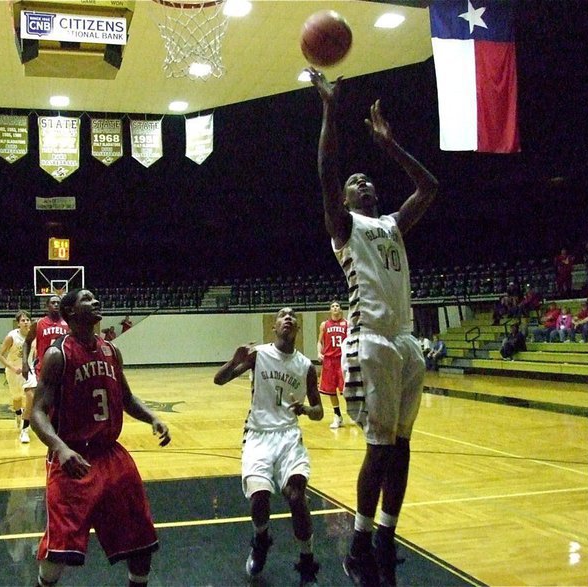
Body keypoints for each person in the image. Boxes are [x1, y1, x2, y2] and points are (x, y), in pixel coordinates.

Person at [310, 68, 438, 587]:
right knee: (379, 448)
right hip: (371, 341)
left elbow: (430, 185)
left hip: (406, 343)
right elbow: (326, 171)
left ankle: (386, 535)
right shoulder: (345, 228)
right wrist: (329, 111)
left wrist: (391, 146)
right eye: (354, 182)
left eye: (368, 179)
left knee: (402, 444)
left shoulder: (390, 225)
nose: (363, 183)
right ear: (343, 200)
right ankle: (359, 542)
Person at [30, 289, 170, 587]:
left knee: (141, 538)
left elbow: (127, 398)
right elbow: (37, 413)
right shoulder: (58, 355)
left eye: (95, 298)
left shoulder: (111, 351)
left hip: (110, 455)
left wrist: (153, 418)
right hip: (73, 458)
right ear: (70, 313)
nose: (96, 302)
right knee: (59, 549)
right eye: (87, 299)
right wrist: (60, 448)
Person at [214, 306, 323, 586]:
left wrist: (307, 411)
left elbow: (319, 410)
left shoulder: (306, 366)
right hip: (258, 434)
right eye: (282, 316)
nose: (288, 318)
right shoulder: (259, 354)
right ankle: (261, 539)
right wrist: (233, 360)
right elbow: (220, 379)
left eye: (292, 317)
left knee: (296, 496)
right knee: (260, 497)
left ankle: (307, 559)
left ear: (297, 328)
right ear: (274, 327)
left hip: (288, 435)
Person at [21, 294, 69, 443]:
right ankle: (25, 430)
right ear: (47, 306)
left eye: (58, 303)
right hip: (42, 370)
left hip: (63, 370)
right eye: (53, 302)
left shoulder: (68, 324)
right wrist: (24, 362)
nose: (56, 305)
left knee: (60, 405)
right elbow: (27, 343)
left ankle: (58, 434)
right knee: (35, 403)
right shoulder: (39, 323)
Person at [0, 310, 33, 442]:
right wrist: (12, 367)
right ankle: (18, 414)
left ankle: (25, 430)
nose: (25, 322)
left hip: (29, 371)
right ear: (18, 323)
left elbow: (35, 353)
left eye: (27, 320)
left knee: (30, 396)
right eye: (23, 320)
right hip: (13, 371)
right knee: (17, 398)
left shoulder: (34, 335)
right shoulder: (12, 337)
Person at [318, 301, 348, 429]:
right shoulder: (324, 325)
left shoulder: (347, 324)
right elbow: (320, 341)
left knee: (346, 390)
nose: (335, 308)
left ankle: (355, 413)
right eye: (333, 306)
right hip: (329, 361)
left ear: (340, 309)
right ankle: (337, 415)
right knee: (330, 391)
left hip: (342, 360)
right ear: (330, 310)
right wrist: (319, 352)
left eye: (337, 306)